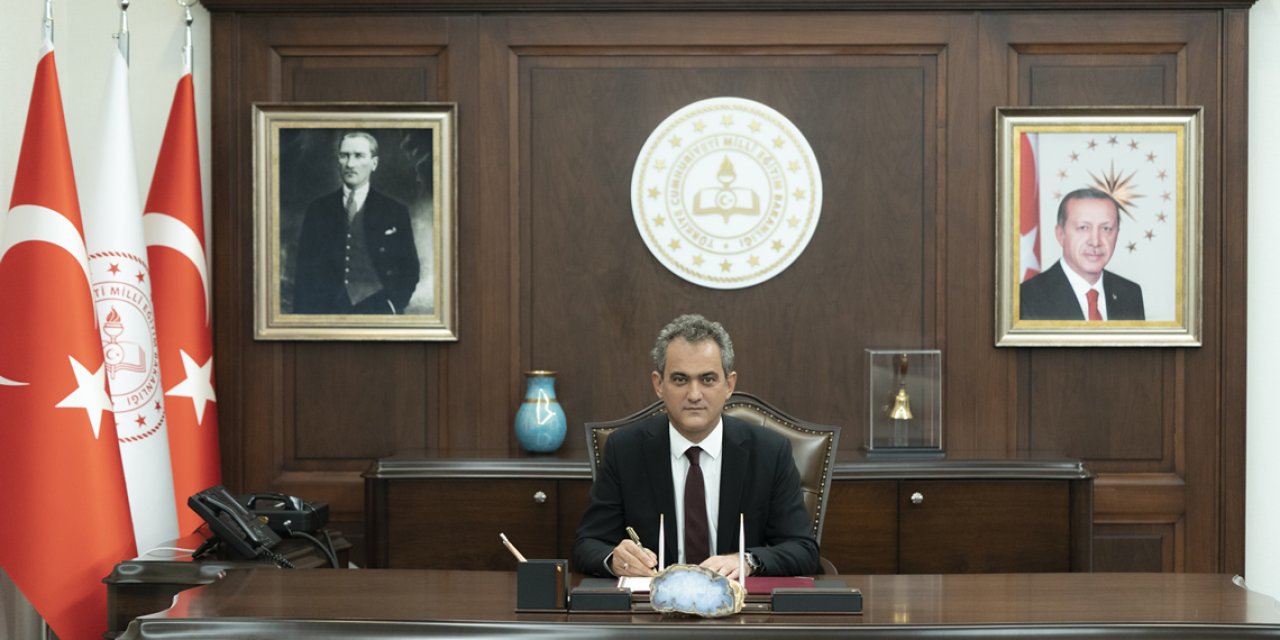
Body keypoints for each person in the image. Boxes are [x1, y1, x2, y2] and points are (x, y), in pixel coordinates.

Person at [574, 314, 821, 579]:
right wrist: (615, 559)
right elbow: (587, 545)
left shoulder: (770, 452)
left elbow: (803, 550)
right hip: (653, 601)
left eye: (708, 379)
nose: (694, 395)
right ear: (659, 384)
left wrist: (748, 561)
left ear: (729, 385)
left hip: (739, 601)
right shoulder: (625, 450)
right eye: (680, 379)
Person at [293, 131, 420, 315]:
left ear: (374, 163)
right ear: (338, 161)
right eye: (344, 156)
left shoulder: (395, 211)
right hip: (326, 310)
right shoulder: (318, 209)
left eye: (359, 156)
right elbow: (303, 271)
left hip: (377, 308)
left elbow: (410, 269)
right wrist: (303, 319)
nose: (350, 164)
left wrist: (393, 305)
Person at [1020, 188, 1145, 321]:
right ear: (1061, 235)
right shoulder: (1026, 299)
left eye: (1106, 229)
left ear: (1117, 235)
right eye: (1083, 228)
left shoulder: (1130, 294)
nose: (1095, 242)